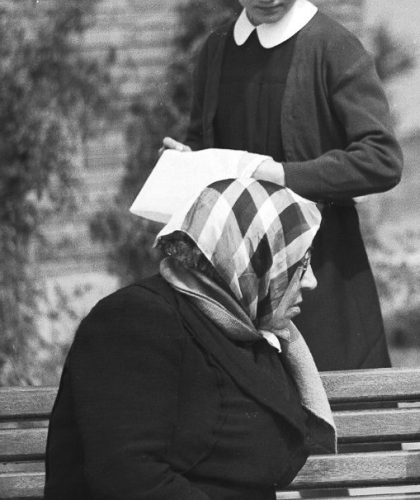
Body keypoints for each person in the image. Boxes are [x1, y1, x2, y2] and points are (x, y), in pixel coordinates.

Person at [162, 0, 403, 371]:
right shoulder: (216, 52)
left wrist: (281, 173)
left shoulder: (332, 48)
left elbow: (382, 159)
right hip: (234, 275)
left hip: (323, 271)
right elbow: (207, 143)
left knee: (341, 415)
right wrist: (186, 160)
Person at [45, 178, 336, 499]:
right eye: (300, 262)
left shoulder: (244, 328)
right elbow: (129, 476)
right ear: (252, 257)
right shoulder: (135, 319)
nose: (310, 281)